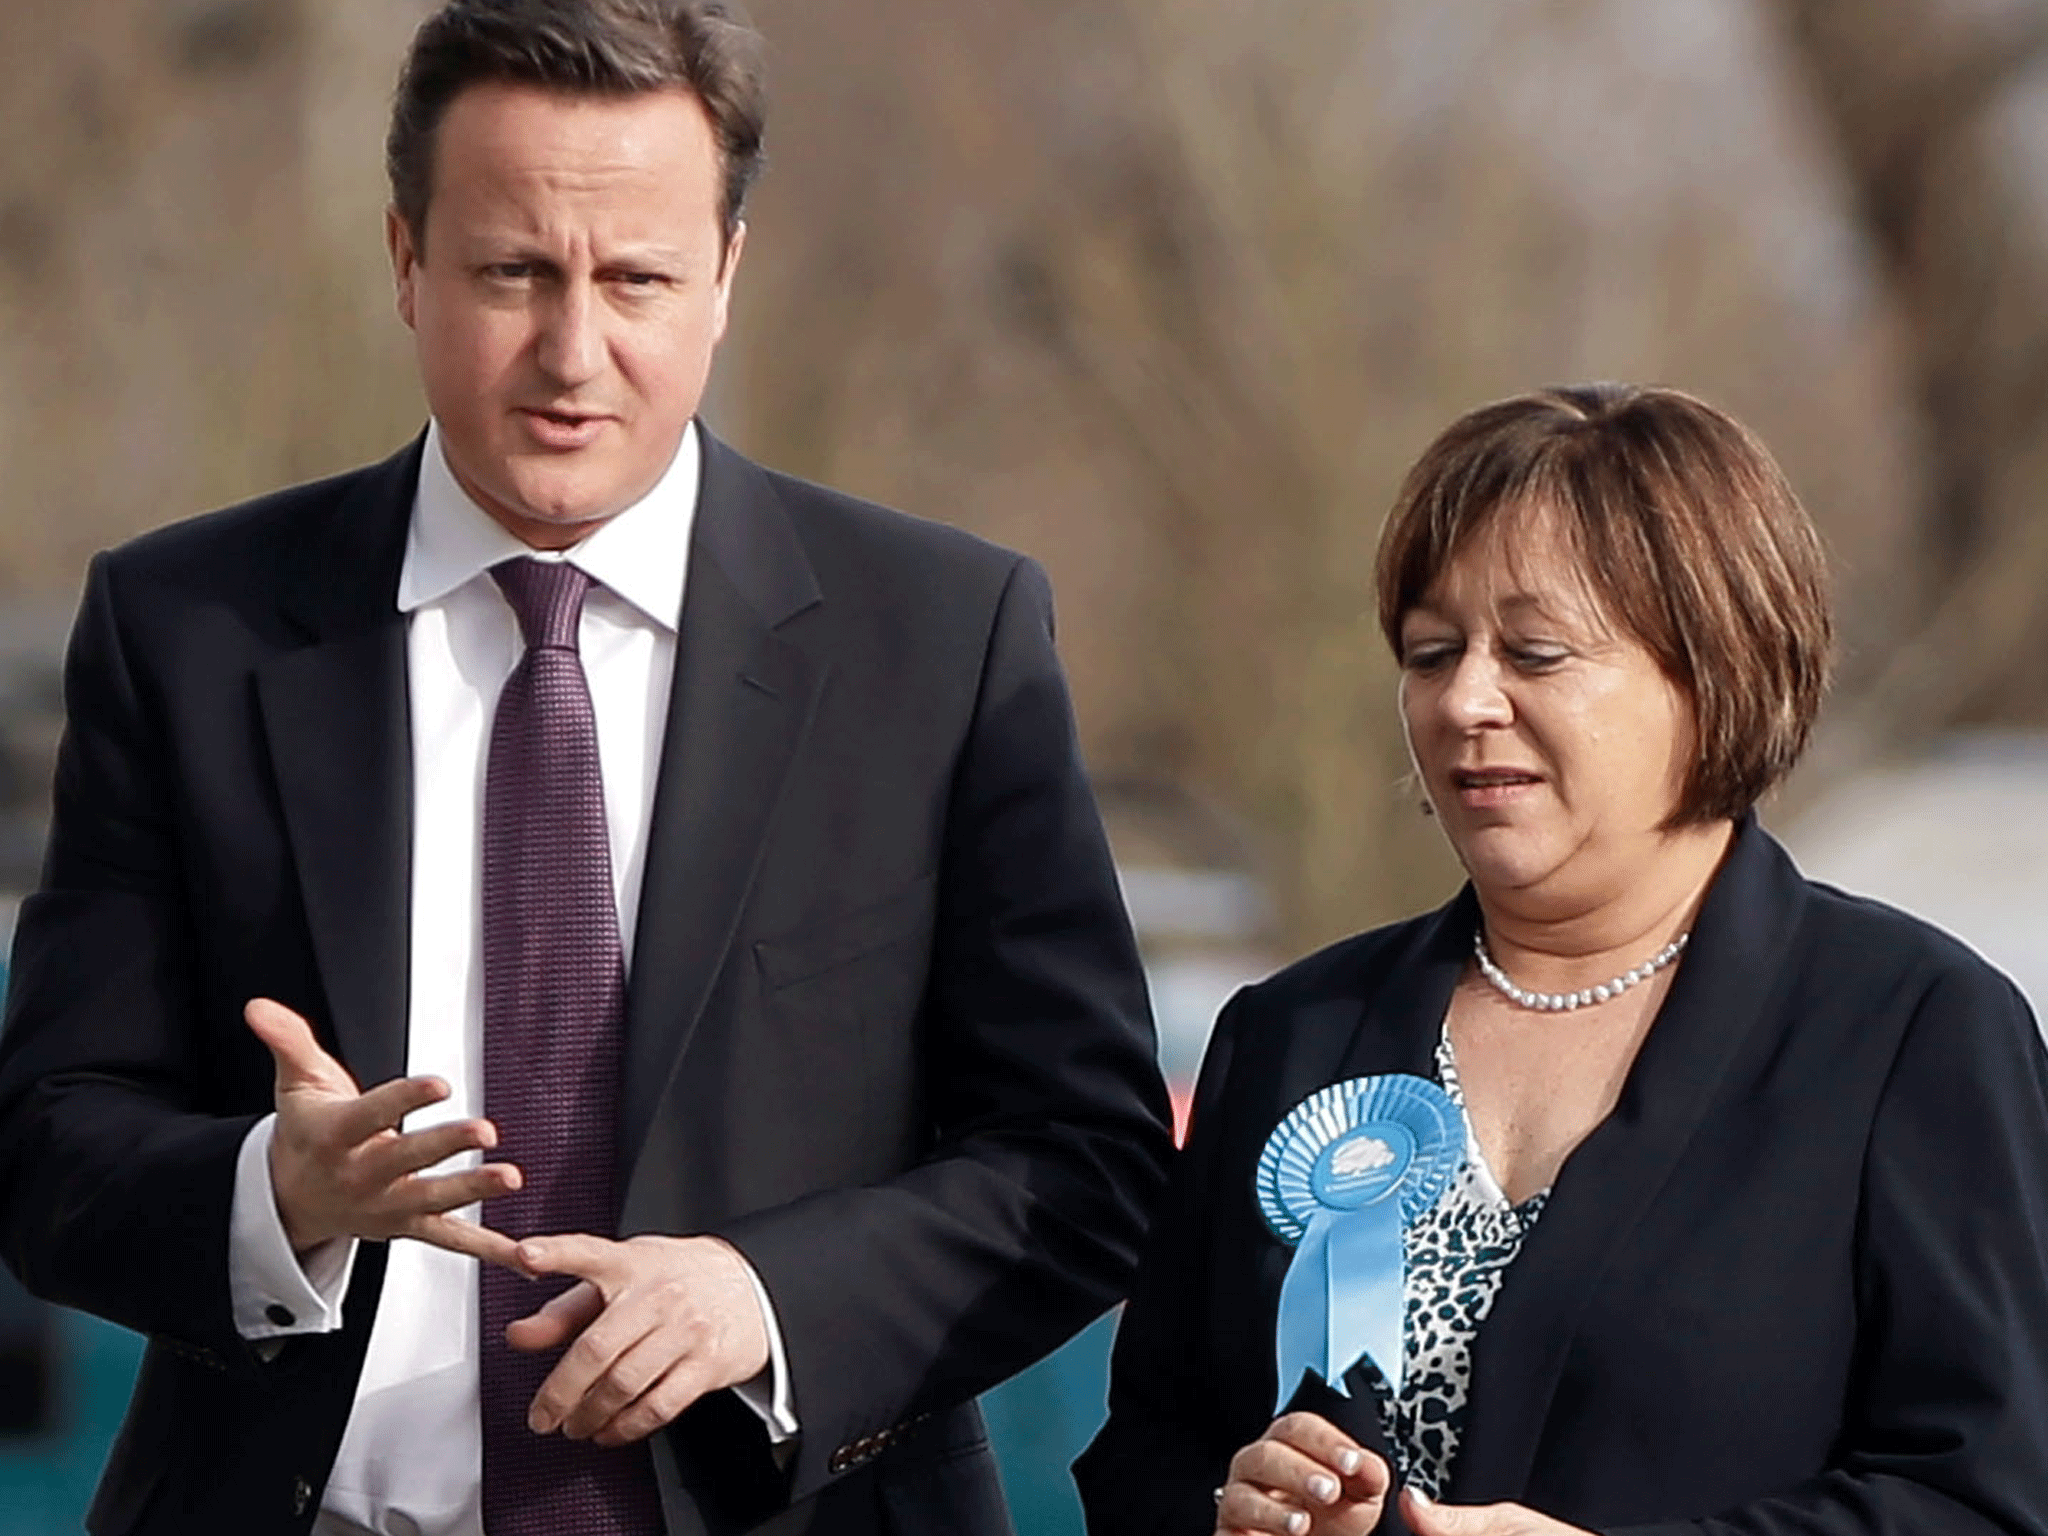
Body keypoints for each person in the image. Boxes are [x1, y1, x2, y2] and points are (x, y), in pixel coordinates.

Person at [0, 2, 1173, 1533]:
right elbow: (48, 1142)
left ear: (728, 277)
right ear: (407, 259)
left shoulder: (941, 642)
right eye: (512, 273)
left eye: (636, 280)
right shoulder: (188, 630)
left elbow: (1083, 1160)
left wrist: (769, 1299)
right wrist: (276, 1200)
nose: (573, 351)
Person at [1073, 383, 2048, 1536]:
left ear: (1713, 669)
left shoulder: (1908, 1032)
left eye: (1534, 652)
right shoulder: (1288, 1032)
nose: (1465, 700)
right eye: (1431, 653)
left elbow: (1986, 1501)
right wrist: (1225, 1510)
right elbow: (1141, 1454)